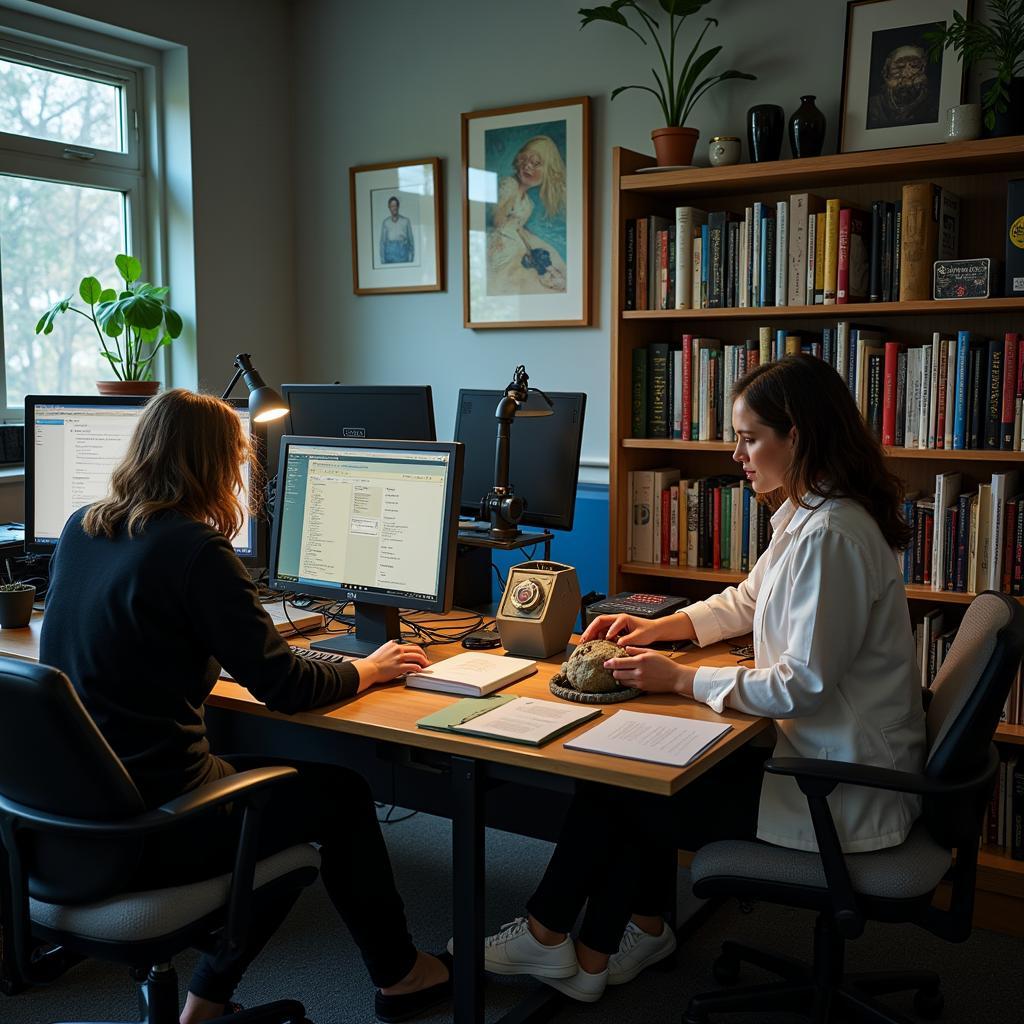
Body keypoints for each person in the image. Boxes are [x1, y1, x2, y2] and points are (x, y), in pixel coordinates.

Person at [468, 354, 926, 1002]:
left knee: (629, 787)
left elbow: (802, 684)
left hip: (836, 785)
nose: (737, 453)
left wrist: (681, 682)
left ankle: (559, 942)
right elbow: (746, 601)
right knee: (628, 775)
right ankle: (607, 944)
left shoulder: (832, 536)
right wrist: (661, 628)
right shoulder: (811, 513)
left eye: (748, 438)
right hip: (815, 752)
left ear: (796, 435)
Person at [39, 389, 451, 1024]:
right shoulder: (197, 552)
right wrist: (367, 668)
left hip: (70, 820)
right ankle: (400, 976)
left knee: (275, 789)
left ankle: (205, 1003)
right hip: (151, 822)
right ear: (215, 465)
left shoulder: (84, 525)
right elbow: (285, 687)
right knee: (338, 796)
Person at [487, 134, 567, 295]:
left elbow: (518, 228)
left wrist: (531, 247)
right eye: (525, 160)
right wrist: (510, 197)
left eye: (536, 164)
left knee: (542, 264)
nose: (528, 167)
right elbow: (498, 220)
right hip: (502, 242)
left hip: (517, 240)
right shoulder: (508, 184)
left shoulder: (528, 203)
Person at [380, 195, 414, 264]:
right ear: (389, 207)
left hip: (403, 258)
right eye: (392, 206)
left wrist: (411, 258)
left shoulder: (406, 221)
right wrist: (382, 259)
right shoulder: (385, 222)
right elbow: (382, 242)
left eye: (395, 206)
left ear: (398, 206)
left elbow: (411, 241)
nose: (394, 208)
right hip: (389, 258)